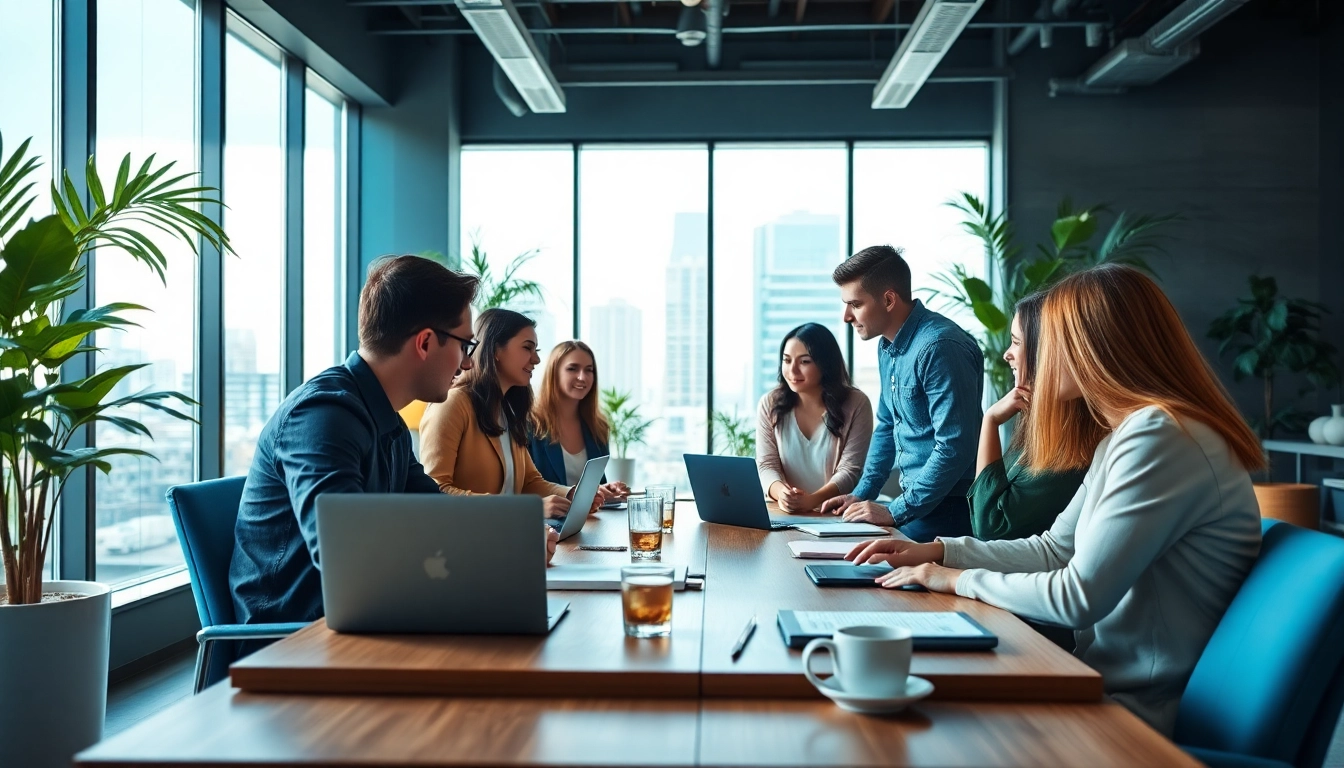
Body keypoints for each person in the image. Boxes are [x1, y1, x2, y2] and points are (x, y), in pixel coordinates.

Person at [846, 264, 1264, 737]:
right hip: (1099, 683)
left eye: (1052, 340)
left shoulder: (1160, 437)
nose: (1033, 354)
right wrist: (939, 552)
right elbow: (1054, 550)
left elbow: (1077, 597)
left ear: (1093, 348)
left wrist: (955, 579)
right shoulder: (1127, 435)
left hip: (1137, 716)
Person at [229, 256, 559, 627]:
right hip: (294, 639)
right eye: (465, 346)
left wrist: (512, 539)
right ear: (425, 343)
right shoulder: (322, 416)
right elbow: (347, 557)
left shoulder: (388, 423)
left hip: (366, 619)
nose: (468, 364)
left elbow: (435, 509)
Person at [820, 245, 984, 541]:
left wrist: (896, 512)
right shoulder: (887, 347)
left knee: (864, 561)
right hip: (916, 507)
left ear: (888, 299)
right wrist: (861, 494)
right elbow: (887, 426)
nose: (846, 316)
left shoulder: (940, 347)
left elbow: (954, 447)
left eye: (855, 304)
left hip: (949, 512)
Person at [419, 309, 598, 519]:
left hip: (507, 532)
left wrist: (570, 494)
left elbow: (530, 481)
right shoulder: (453, 404)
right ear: (496, 349)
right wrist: (524, 508)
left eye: (536, 350)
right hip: (467, 534)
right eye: (527, 348)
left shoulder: (508, 410)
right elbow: (436, 490)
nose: (536, 359)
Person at [968, 293, 1087, 540]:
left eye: (1016, 342)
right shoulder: (1042, 425)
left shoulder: (1070, 447)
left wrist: (990, 421)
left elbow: (989, 527)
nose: (1006, 354)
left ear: (1044, 352)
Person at [756, 323, 873, 514]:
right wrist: (782, 494)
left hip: (835, 514)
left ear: (825, 363)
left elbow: (850, 470)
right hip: (783, 513)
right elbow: (766, 465)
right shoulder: (769, 404)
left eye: (804, 362)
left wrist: (812, 501)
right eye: (787, 360)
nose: (792, 371)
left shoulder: (857, 404)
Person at [528, 340, 629, 500]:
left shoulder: (598, 427)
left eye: (589, 370)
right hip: (545, 515)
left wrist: (605, 490)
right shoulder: (531, 424)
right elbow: (524, 486)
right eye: (572, 369)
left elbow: (592, 487)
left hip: (590, 515)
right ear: (554, 373)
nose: (582, 377)